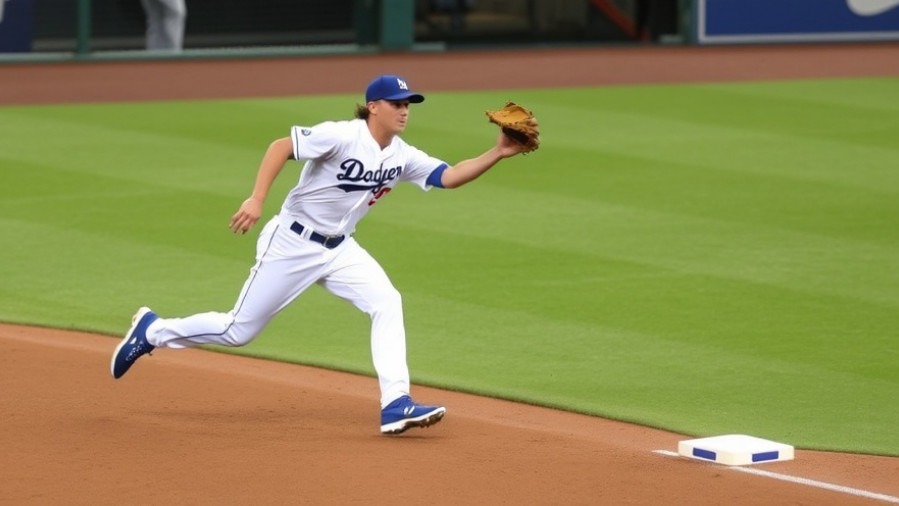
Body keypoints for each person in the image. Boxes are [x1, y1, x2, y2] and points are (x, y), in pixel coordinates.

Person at [110, 74, 536, 435]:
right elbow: (281, 146)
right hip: (292, 243)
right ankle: (152, 331)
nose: (405, 110)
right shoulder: (341, 134)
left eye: (409, 104)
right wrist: (257, 199)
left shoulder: (402, 155)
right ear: (373, 107)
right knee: (239, 331)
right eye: (397, 103)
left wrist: (497, 152)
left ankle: (396, 403)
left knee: (387, 302)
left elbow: (449, 176)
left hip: (340, 249)